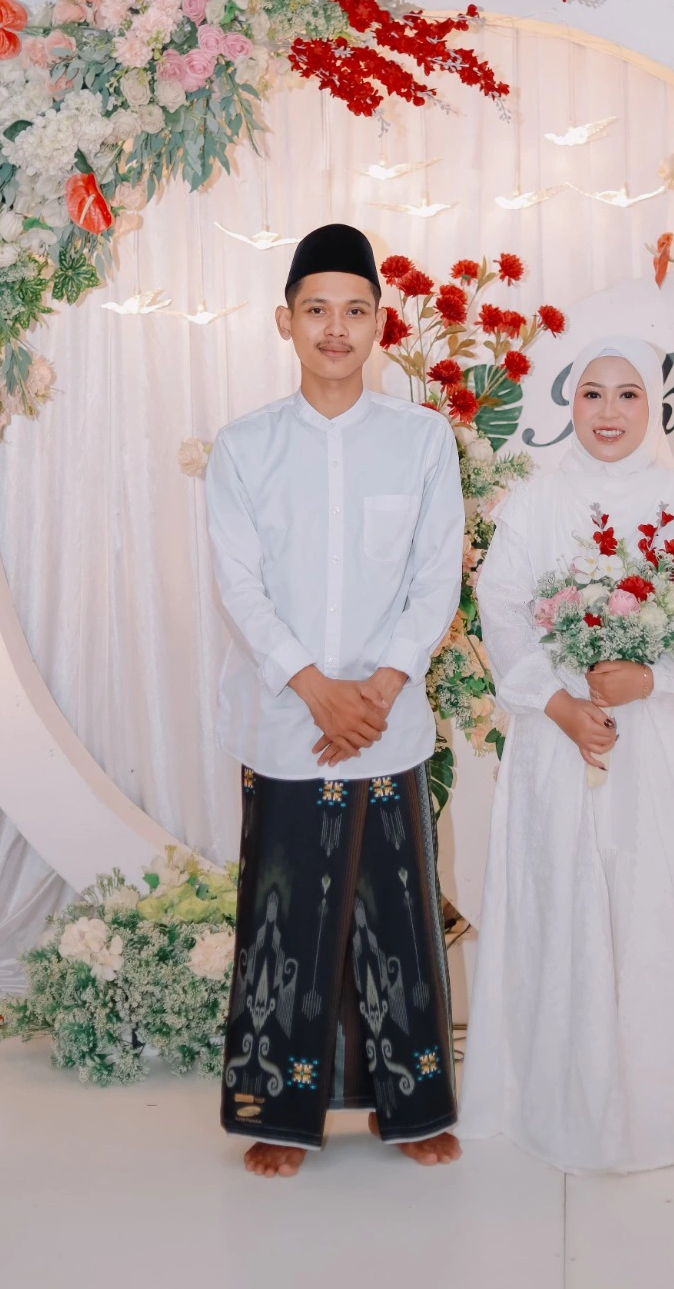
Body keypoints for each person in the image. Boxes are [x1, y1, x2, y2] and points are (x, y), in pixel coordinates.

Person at [457, 335, 674, 1173]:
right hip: (557, 740)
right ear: (570, 404)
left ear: (653, 407)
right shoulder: (534, 501)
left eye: (627, 394)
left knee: (657, 900)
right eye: (591, 393)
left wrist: (654, 677)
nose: (608, 412)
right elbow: (503, 610)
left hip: (658, 744)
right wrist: (560, 703)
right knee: (561, 893)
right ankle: (554, 1097)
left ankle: (666, 1101)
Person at [205, 222, 465, 1177]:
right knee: (286, 920)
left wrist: (381, 687)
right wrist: (314, 688)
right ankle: (278, 1117)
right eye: (316, 309)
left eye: (355, 310)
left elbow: (436, 577)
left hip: (389, 722)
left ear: (380, 324)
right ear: (286, 321)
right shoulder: (244, 448)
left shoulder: (421, 440)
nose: (335, 328)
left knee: (395, 916)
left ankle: (414, 1106)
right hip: (287, 720)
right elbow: (240, 587)